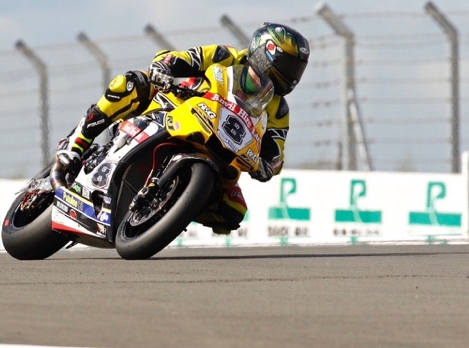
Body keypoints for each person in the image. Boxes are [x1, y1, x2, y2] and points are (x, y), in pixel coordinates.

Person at [51, 23, 310, 234]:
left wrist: (268, 165)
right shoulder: (225, 56)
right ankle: (77, 141)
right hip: (173, 107)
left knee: (233, 210)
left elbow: (276, 151)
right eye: (289, 65)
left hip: (222, 149)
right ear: (266, 52)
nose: (293, 75)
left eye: (297, 68)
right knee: (132, 83)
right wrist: (164, 68)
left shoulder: (278, 109)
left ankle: (170, 207)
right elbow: (184, 58)